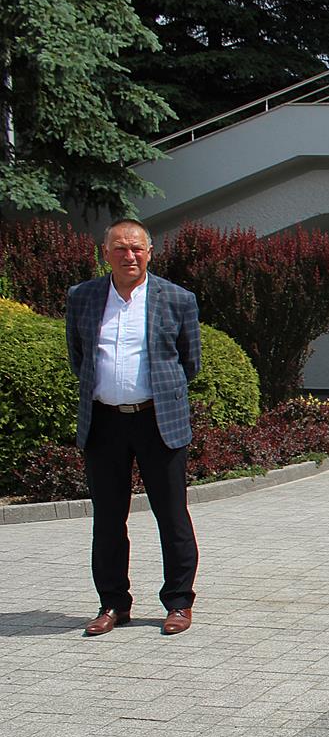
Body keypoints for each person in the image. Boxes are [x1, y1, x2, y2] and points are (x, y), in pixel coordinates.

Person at [66, 219, 200, 638]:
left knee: (172, 516)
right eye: (121, 248)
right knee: (108, 519)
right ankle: (113, 604)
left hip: (158, 420)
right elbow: (78, 357)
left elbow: (189, 362)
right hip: (104, 421)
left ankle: (178, 602)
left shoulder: (177, 299)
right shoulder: (83, 297)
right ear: (105, 253)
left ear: (149, 253)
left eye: (137, 248)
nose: (130, 256)